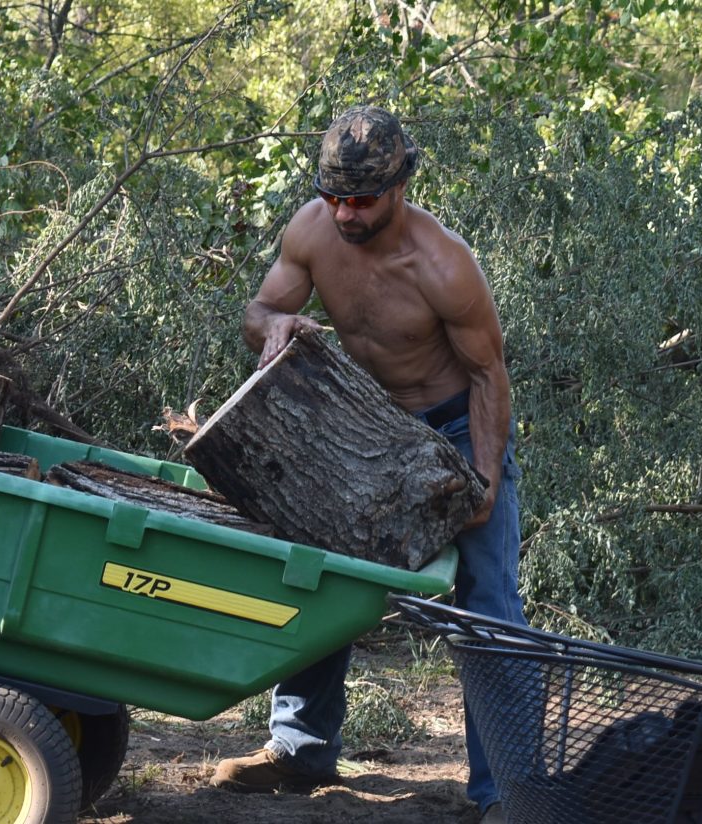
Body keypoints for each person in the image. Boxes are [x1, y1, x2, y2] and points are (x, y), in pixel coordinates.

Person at [208, 106, 525, 824]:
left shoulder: (445, 264)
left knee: (490, 605)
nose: (346, 213)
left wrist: (484, 480)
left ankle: (504, 790)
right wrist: (277, 324)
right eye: (334, 197)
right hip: (364, 432)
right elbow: (257, 311)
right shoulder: (311, 233)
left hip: (451, 428)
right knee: (312, 575)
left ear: (401, 185)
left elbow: (489, 377)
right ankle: (300, 749)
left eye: (362, 200)